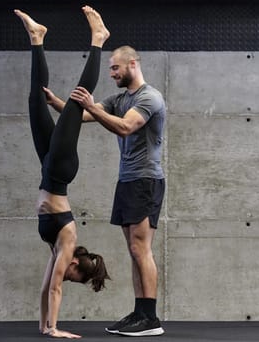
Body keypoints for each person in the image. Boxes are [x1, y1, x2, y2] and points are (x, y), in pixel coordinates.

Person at [46, 46, 166, 336]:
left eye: (115, 68)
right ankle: (139, 312)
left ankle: (150, 317)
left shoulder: (149, 98)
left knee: (141, 249)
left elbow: (125, 127)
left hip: (144, 181)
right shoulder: (121, 98)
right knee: (134, 250)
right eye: (111, 68)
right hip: (127, 181)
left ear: (132, 64)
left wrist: (88, 107)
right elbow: (85, 116)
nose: (111, 73)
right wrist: (55, 102)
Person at [14, 6, 111, 339]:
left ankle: (37, 38)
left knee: (34, 101)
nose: (65, 276)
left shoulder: (58, 250)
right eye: (73, 276)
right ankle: (99, 39)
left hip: (48, 169)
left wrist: (44, 327)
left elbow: (45, 288)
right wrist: (57, 330)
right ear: (74, 266)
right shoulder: (67, 243)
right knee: (77, 100)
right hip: (60, 171)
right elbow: (56, 288)